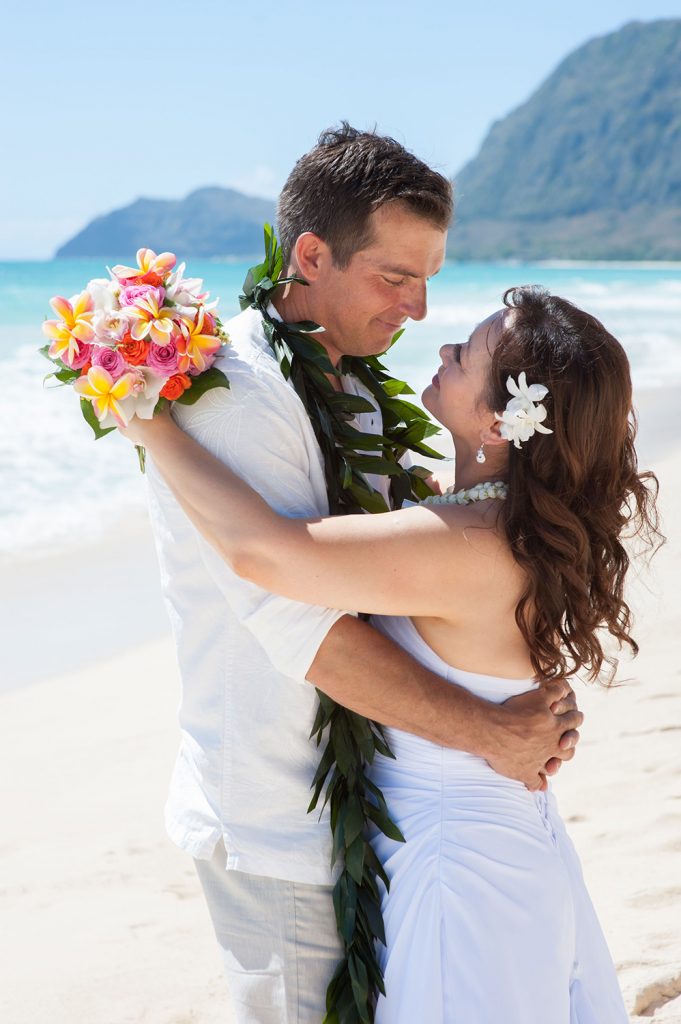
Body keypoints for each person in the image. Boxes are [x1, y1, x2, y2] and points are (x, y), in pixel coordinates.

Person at [139, 126, 583, 1023]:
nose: (419, 312)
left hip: (375, 819)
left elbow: (415, 571)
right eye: (394, 277)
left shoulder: (355, 385)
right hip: (278, 820)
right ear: (310, 255)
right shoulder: (238, 394)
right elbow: (304, 624)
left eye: (427, 279)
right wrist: (487, 730)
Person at [122, 284, 661, 1022]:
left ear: (502, 422)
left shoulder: (466, 544)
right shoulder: (505, 522)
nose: (441, 349)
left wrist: (151, 428)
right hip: (494, 843)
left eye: (464, 355)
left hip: (459, 866)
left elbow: (262, 553)